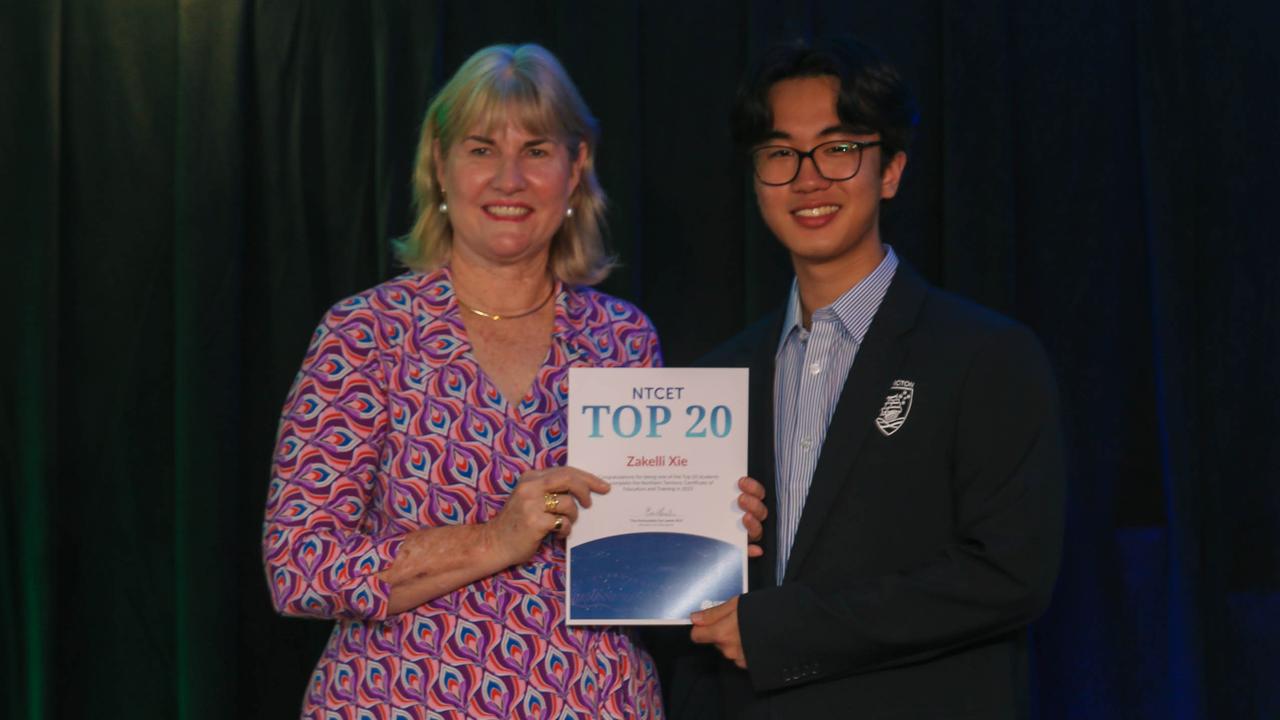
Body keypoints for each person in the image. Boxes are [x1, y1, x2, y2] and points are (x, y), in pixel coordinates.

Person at [262, 43, 766, 719]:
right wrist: (495, 539)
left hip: (596, 702)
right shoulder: (366, 334)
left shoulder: (623, 337)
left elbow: (639, 569)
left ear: (576, 166)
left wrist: (710, 534)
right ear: (438, 166)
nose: (509, 178)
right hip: (398, 703)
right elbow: (301, 567)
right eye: (479, 149)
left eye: (536, 149)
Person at [677, 37, 1066, 718]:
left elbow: (1010, 575)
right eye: (779, 155)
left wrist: (781, 628)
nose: (808, 179)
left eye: (838, 148)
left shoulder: (985, 356)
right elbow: (687, 607)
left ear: (889, 170)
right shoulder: (717, 379)